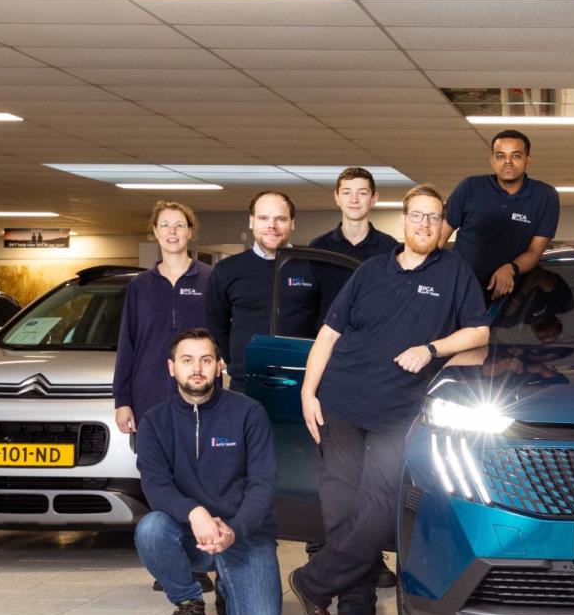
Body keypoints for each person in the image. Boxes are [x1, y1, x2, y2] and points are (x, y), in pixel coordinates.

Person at [294, 185, 492, 615]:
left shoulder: (454, 271)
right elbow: (328, 335)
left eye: (434, 217)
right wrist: (307, 392)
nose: (425, 224)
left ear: (443, 227)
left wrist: (431, 349)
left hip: (400, 413)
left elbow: (480, 331)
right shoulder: (370, 271)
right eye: (417, 215)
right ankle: (356, 613)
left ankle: (311, 582)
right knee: (342, 512)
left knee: (380, 512)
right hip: (341, 403)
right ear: (403, 220)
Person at [135, 329, 282, 615]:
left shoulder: (249, 413)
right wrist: (195, 512)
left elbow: (262, 484)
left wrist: (235, 531)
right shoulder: (154, 422)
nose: (197, 368)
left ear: (219, 366)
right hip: (192, 533)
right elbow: (155, 486)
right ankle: (189, 605)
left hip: (244, 533)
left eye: (206, 360)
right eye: (187, 360)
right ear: (172, 367)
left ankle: (228, 585)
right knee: (151, 528)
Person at [113, 200, 212, 437]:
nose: (172, 231)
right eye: (165, 225)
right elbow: (127, 344)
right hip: (148, 393)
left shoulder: (211, 279)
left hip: (200, 392)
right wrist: (122, 400)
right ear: (156, 232)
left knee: (200, 456)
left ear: (190, 231)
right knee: (153, 457)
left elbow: (224, 333)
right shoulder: (139, 286)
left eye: (179, 225)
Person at [204, 190, 317, 390]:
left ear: (292, 223)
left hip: (303, 382)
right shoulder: (227, 270)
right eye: (263, 218)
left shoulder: (313, 266)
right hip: (246, 382)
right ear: (251, 221)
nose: (272, 226)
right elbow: (217, 326)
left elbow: (326, 324)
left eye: (281, 219)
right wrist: (239, 363)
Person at [444, 129, 559, 298]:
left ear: (528, 160)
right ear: (492, 161)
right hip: (460, 289)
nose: (507, 162)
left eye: (516, 156)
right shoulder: (470, 187)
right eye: (500, 156)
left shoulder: (545, 196)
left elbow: (535, 252)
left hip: (507, 295)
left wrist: (511, 268)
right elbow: (438, 239)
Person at [309, 166, 398, 264]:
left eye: (362, 193)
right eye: (346, 193)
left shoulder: (390, 248)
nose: (354, 200)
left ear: (374, 198)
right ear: (337, 197)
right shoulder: (319, 247)